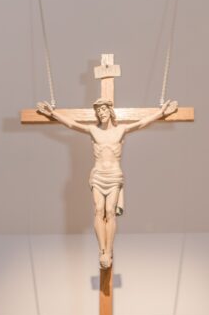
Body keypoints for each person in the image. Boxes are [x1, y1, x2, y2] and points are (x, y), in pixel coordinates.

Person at [36, 97, 177, 269]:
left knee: (109, 211)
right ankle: (101, 249)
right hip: (98, 175)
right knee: (98, 210)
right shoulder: (93, 131)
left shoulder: (121, 130)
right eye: (98, 111)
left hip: (114, 175)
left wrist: (160, 113)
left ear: (110, 111)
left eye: (103, 110)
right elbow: (72, 125)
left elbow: (141, 123)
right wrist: (53, 113)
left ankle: (108, 250)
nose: (101, 113)